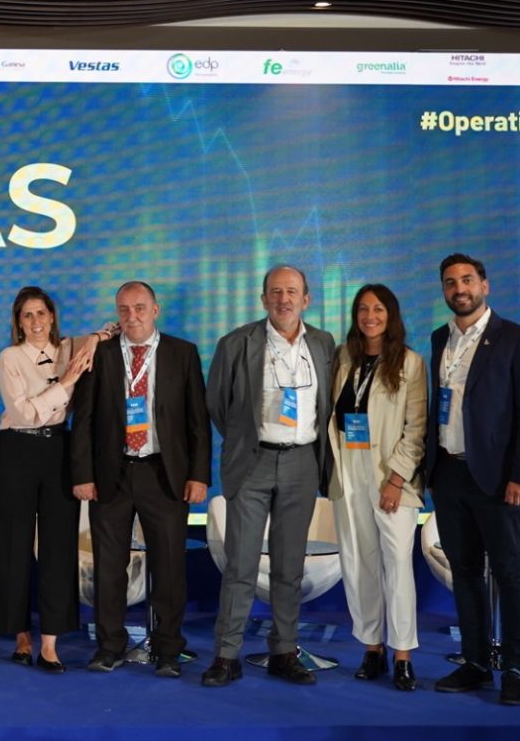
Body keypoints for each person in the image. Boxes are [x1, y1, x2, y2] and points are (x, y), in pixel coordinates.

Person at [202, 265, 335, 687]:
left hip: (302, 463)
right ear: (263, 299)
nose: (283, 299)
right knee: (240, 565)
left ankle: (284, 652)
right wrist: (247, 440)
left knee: (289, 566)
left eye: (291, 291)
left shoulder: (323, 344)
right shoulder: (236, 343)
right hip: (253, 461)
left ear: (306, 299)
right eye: (275, 292)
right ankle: (226, 656)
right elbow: (218, 404)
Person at [71, 281, 210, 677]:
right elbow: (84, 419)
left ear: (155, 310)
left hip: (164, 473)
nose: (132, 316)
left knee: (169, 567)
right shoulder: (99, 354)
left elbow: (198, 422)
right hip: (111, 474)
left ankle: (167, 650)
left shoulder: (182, 353)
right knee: (109, 567)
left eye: (139, 308)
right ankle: (109, 646)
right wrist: (83, 473)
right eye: (124, 310)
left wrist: (199, 475)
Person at [427, 254, 520, 706]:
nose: (459, 289)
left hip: (499, 480)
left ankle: (515, 667)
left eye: (467, 280)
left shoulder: (518, 339)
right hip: (448, 474)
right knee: (464, 573)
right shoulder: (440, 339)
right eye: (450, 282)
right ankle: (476, 663)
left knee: (510, 572)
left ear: (485, 285)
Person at [0, 286, 104, 673]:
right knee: (12, 545)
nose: (35, 321)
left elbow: (109, 333)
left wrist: (97, 337)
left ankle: (50, 642)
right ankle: (20, 635)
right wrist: (65, 383)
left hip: (58, 450)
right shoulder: (10, 357)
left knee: (58, 546)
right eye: (27, 315)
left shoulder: (71, 348)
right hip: (16, 449)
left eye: (41, 313)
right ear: (18, 323)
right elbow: (24, 414)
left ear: (52, 316)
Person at [325, 284, 426, 691]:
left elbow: (416, 430)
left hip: (389, 474)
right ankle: (372, 647)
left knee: (397, 563)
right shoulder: (343, 357)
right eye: (363, 309)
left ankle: (402, 655)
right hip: (349, 469)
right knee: (358, 561)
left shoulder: (410, 363)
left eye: (379, 309)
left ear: (391, 315)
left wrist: (397, 479)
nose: (370, 316)